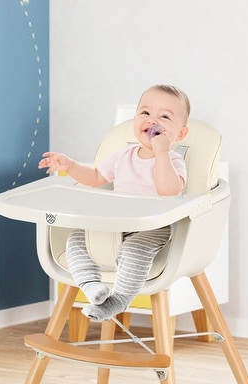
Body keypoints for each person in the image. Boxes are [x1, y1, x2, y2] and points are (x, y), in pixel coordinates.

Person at [38, 84, 190, 322]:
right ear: (135, 120)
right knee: (76, 239)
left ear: (179, 134)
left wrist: (161, 153)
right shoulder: (123, 156)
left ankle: (117, 300)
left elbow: (168, 191)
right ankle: (91, 286)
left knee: (134, 249)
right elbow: (96, 177)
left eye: (164, 117)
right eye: (146, 113)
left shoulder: (173, 160)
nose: (153, 121)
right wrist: (70, 166)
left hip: (153, 228)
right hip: (115, 225)